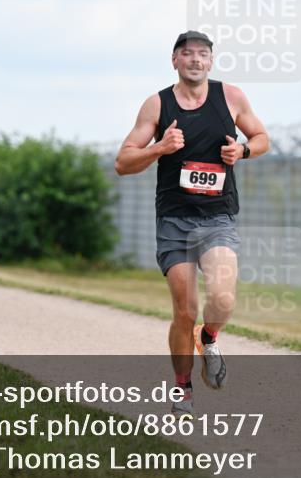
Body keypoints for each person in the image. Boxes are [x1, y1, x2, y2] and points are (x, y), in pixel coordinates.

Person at [115, 30, 269, 418]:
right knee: (184, 310)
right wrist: (161, 148)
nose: (195, 60)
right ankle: (182, 389)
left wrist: (244, 149)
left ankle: (209, 337)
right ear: (175, 61)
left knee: (223, 298)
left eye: (203, 54)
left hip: (218, 217)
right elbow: (123, 162)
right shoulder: (157, 105)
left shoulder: (230, 97)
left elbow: (263, 137)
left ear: (211, 62)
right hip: (174, 219)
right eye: (188, 54)